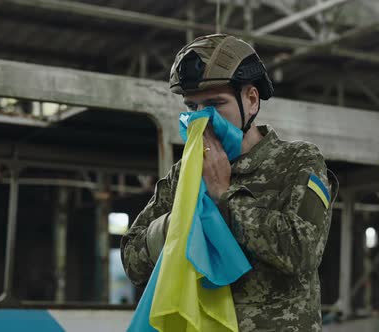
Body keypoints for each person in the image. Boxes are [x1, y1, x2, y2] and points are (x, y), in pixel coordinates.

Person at [121, 34, 339, 332]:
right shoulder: (184, 172)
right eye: (192, 106)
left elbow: (303, 251)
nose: (201, 118)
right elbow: (132, 259)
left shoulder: (297, 160)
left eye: (214, 104)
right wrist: (182, 219)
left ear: (250, 100)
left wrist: (224, 196)